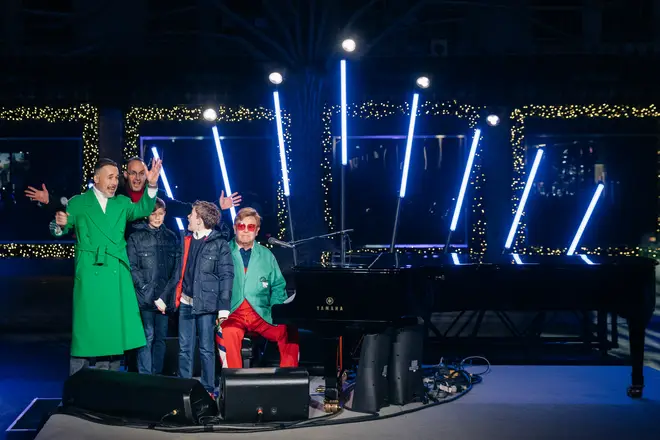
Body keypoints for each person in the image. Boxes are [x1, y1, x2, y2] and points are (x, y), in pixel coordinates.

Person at [51, 157, 162, 375]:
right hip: (91, 273)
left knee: (112, 334)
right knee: (86, 335)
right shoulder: (78, 202)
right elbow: (60, 229)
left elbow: (143, 209)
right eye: (110, 177)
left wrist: (152, 184)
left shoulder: (121, 203)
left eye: (116, 177)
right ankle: (78, 390)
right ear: (96, 178)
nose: (114, 182)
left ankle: (108, 388)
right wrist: (59, 223)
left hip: (115, 273)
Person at [26, 157, 242, 219]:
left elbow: (186, 208)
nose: (138, 177)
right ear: (126, 174)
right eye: (133, 173)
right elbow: (81, 205)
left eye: (142, 173)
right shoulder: (115, 195)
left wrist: (217, 205)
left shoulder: (157, 197)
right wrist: (50, 201)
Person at [216, 207, 299, 369]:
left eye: (251, 227)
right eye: (241, 226)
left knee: (289, 329)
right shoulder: (223, 250)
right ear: (235, 228)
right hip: (233, 312)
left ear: (257, 230)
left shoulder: (266, 255)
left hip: (262, 313)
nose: (246, 231)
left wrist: (276, 310)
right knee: (227, 333)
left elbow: (278, 285)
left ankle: (289, 378)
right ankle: (234, 383)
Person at [170, 201, 234, 396]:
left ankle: (207, 389)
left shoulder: (219, 244)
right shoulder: (186, 240)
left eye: (191, 214)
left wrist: (223, 308)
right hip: (186, 302)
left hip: (206, 305)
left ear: (200, 219)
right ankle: (184, 387)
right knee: (184, 348)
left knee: (206, 348)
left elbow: (226, 276)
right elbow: (179, 272)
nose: (188, 217)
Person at [127, 197, 179, 375]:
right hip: (145, 298)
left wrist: (164, 296)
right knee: (147, 337)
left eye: (161, 214)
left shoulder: (171, 237)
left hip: (164, 298)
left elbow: (176, 270)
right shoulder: (135, 237)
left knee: (160, 338)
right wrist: (146, 292)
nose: (157, 217)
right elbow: (132, 267)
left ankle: (156, 376)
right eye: (153, 213)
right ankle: (145, 377)